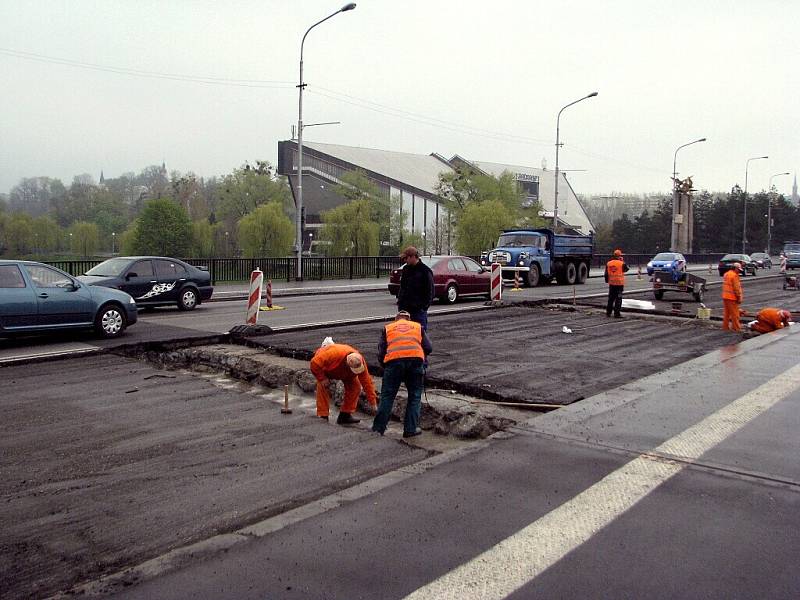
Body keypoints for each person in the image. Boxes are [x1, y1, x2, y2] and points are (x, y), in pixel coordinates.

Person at [372, 310, 433, 438]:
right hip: (415, 363)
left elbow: (381, 351)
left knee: (387, 396)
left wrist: (385, 366)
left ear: (396, 320)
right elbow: (428, 347)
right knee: (415, 396)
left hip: (394, 363)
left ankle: (378, 429)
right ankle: (410, 429)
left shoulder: (388, 328)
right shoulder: (417, 327)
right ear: (408, 319)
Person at [310, 342, 377, 424]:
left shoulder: (360, 361)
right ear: (347, 364)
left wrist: (373, 403)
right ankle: (323, 415)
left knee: (355, 387)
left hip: (345, 373)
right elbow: (314, 363)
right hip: (328, 368)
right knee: (323, 386)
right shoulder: (333, 354)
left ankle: (345, 415)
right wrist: (322, 378)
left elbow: (367, 382)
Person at [397, 246, 435, 331]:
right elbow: (402, 288)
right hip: (405, 311)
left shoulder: (425, 271)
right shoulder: (406, 269)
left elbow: (430, 292)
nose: (405, 261)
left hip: (418, 312)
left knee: (420, 336)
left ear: (413, 257)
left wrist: (423, 307)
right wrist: (400, 304)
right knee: (406, 337)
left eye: (406, 258)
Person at [604, 249, 629, 318]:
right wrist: (622, 261)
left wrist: (607, 280)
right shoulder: (621, 263)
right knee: (618, 299)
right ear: (619, 256)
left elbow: (606, 274)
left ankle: (608, 313)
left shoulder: (609, 263)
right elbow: (626, 269)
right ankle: (617, 314)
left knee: (611, 298)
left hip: (612, 283)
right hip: (619, 284)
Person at [721, 262, 744, 332]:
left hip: (725, 296)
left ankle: (725, 327)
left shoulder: (726, 274)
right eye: (738, 270)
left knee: (726, 313)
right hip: (732, 298)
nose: (739, 271)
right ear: (735, 268)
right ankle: (736, 328)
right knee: (735, 314)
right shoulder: (734, 276)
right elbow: (736, 288)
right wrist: (739, 297)